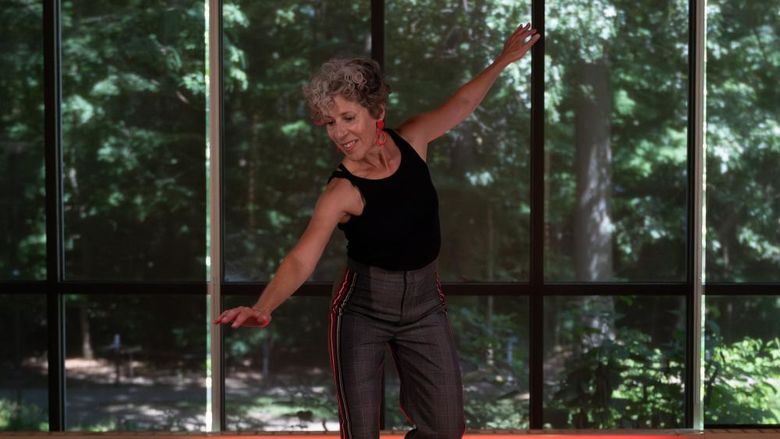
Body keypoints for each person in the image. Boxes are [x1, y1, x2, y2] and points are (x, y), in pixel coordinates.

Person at [215, 22, 540, 439]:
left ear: (377, 114)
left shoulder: (415, 140)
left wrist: (504, 59)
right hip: (363, 311)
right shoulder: (341, 191)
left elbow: (462, 103)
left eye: (348, 117)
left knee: (445, 427)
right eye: (330, 122)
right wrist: (264, 305)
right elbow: (302, 257)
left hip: (424, 304)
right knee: (362, 434)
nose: (339, 132)